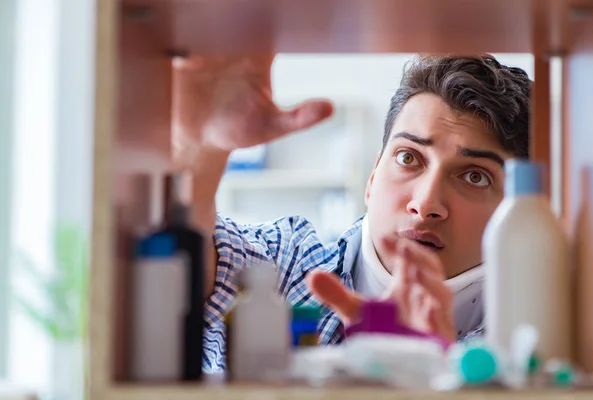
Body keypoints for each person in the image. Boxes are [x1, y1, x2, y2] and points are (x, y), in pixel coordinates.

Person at [172, 53, 532, 372]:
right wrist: (200, 151)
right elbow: (186, 266)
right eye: (409, 158)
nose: (425, 205)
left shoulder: (535, 340)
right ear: (373, 177)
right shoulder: (286, 265)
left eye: (474, 176)